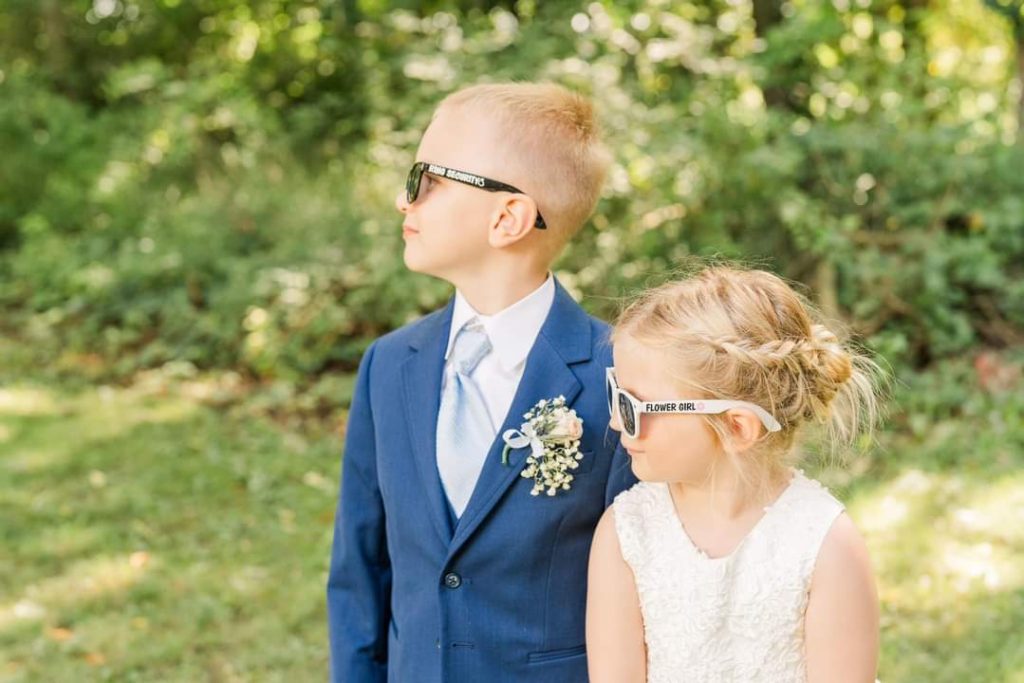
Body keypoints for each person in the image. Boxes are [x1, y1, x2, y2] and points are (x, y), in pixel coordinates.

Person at [327, 82, 636, 682]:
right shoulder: (388, 365)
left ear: (508, 217)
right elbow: (360, 574)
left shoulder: (615, 373)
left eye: (427, 180)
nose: (403, 200)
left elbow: (640, 587)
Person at [587, 265, 882, 682]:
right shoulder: (627, 532)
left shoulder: (825, 544)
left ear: (736, 427)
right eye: (616, 395)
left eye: (634, 407)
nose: (616, 422)